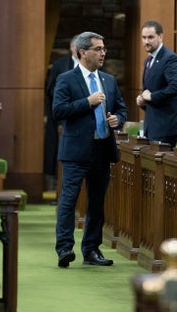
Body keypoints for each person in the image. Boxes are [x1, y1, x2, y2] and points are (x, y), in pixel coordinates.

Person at [53, 31, 127, 268]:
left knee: (96, 203)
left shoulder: (109, 80)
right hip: (76, 151)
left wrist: (118, 118)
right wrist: (87, 102)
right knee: (68, 201)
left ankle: (91, 250)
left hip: (102, 149)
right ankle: (64, 248)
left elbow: (122, 109)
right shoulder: (66, 79)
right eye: (98, 49)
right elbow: (59, 111)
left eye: (104, 49)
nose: (103, 53)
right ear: (82, 52)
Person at [135, 21, 177, 145]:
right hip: (153, 125)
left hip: (166, 127)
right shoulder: (148, 60)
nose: (146, 41)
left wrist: (152, 96)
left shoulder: (169, 58)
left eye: (150, 37)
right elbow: (150, 90)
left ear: (161, 37)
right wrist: (143, 100)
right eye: (144, 38)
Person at [43, 36, 79, 191]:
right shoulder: (60, 65)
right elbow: (50, 89)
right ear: (72, 47)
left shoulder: (93, 64)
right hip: (62, 116)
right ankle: (58, 189)